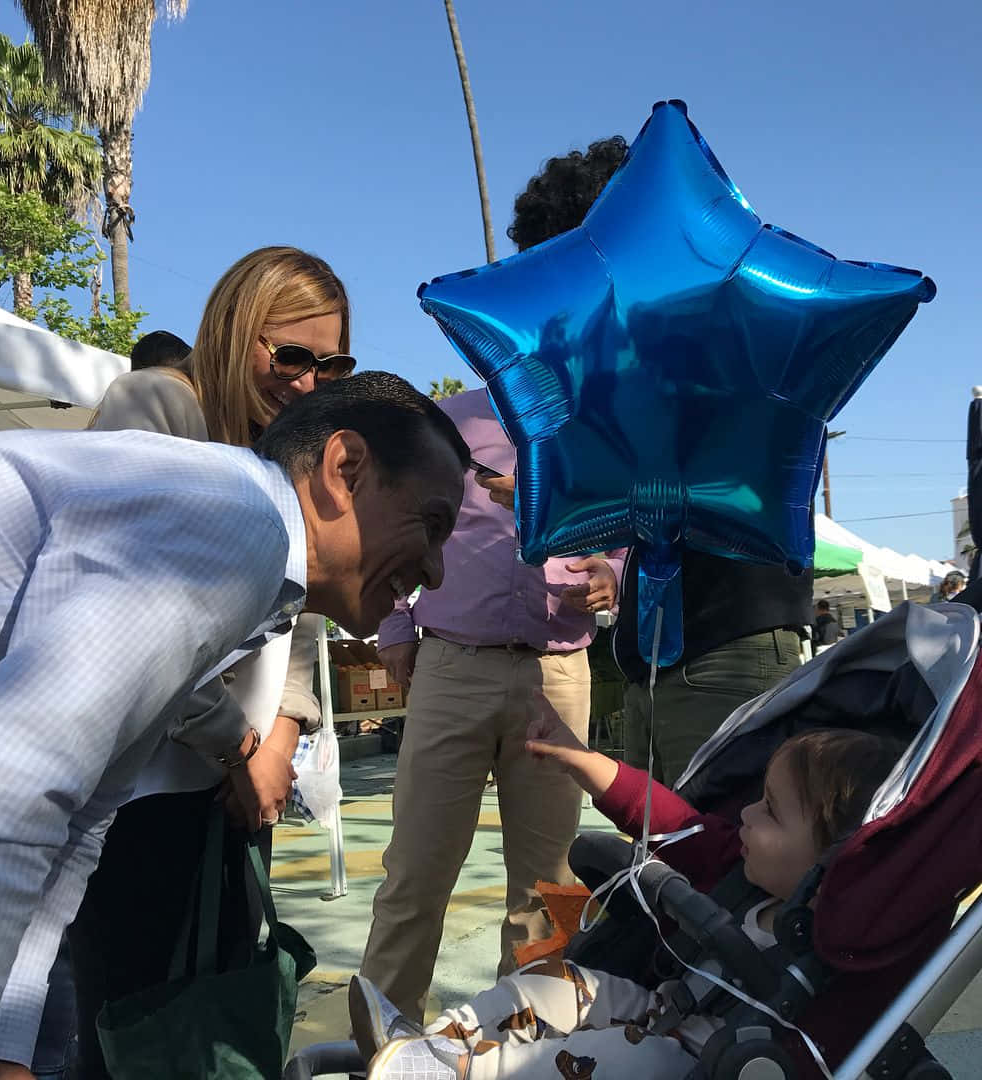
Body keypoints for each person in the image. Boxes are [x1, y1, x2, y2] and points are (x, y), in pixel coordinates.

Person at [0, 372, 469, 1080]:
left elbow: (76, 828)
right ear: (344, 469)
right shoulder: (233, 522)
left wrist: (5, 1050)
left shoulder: (231, 529)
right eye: (433, 523)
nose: (438, 571)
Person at [65, 246, 353, 1080]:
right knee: (131, 1028)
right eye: (288, 354)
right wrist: (238, 747)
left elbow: (300, 618)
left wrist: (275, 742)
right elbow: (126, 617)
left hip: (236, 788)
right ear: (234, 330)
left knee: (220, 1017)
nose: (308, 381)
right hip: (139, 790)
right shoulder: (156, 406)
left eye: (331, 362)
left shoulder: (288, 448)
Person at [349, 717, 904, 1080]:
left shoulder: (840, 944)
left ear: (836, 860)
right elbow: (673, 819)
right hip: (660, 1007)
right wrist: (584, 762)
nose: (747, 814)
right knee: (551, 982)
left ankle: (460, 1071)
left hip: (706, 1059)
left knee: (603, 1058)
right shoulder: (740, 869)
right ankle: (436, 1041)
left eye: (772, 812)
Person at [509, 134, 811, 789]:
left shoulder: (710, 336)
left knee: (718, 868)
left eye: (564, 270)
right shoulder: (658, 349)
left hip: (726, 657)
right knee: (665, 872)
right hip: (670, 660)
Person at [360, 386, 624, 1022]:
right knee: (416, 872)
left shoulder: (600, 430)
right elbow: (398, 521)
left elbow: (617, 537)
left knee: (549, 883)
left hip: (558, 670)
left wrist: (610, 572)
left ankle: (525, 1043)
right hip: (452, 662)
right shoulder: (449, 420)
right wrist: (394, 626)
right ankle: (383, 1047)